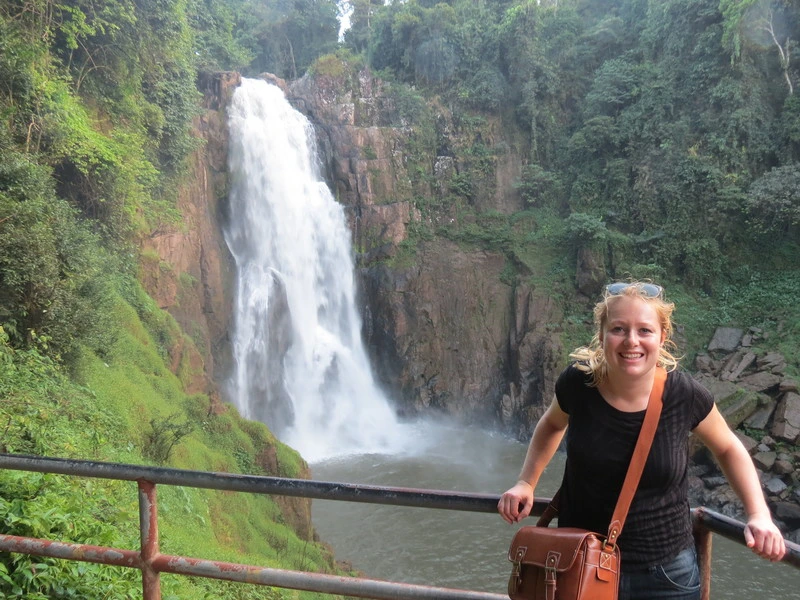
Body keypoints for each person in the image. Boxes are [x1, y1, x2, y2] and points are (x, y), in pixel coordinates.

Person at [498, 281, 786, 600]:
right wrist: (526, 482)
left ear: (662, 336)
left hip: (666, 575)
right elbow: (551, 424)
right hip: (580, 563)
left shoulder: (684, 395)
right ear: (602, 333)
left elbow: (728, 447)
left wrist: (758, 514)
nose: (631, 341)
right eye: (619, 328)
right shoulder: (578, 384)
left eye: (644, 330)